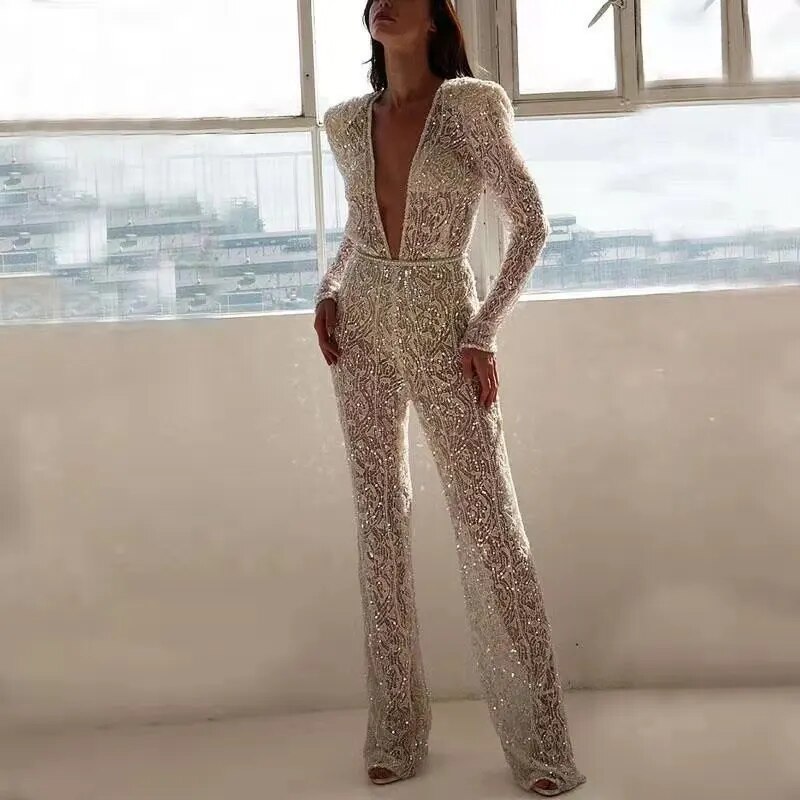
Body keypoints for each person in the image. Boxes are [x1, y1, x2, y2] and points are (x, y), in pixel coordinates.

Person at [312, 1, 587, 796]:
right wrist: (328, 288)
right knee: (379, 524)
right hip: (361, 327)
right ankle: (395, 732)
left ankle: (542, 745)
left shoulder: (470, 105)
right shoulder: (344, 121)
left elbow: (530, 222)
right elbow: (359, 228)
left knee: (491, 526)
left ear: (437, 17)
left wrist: (484, 330)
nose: (382, 2)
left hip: (443, 321)